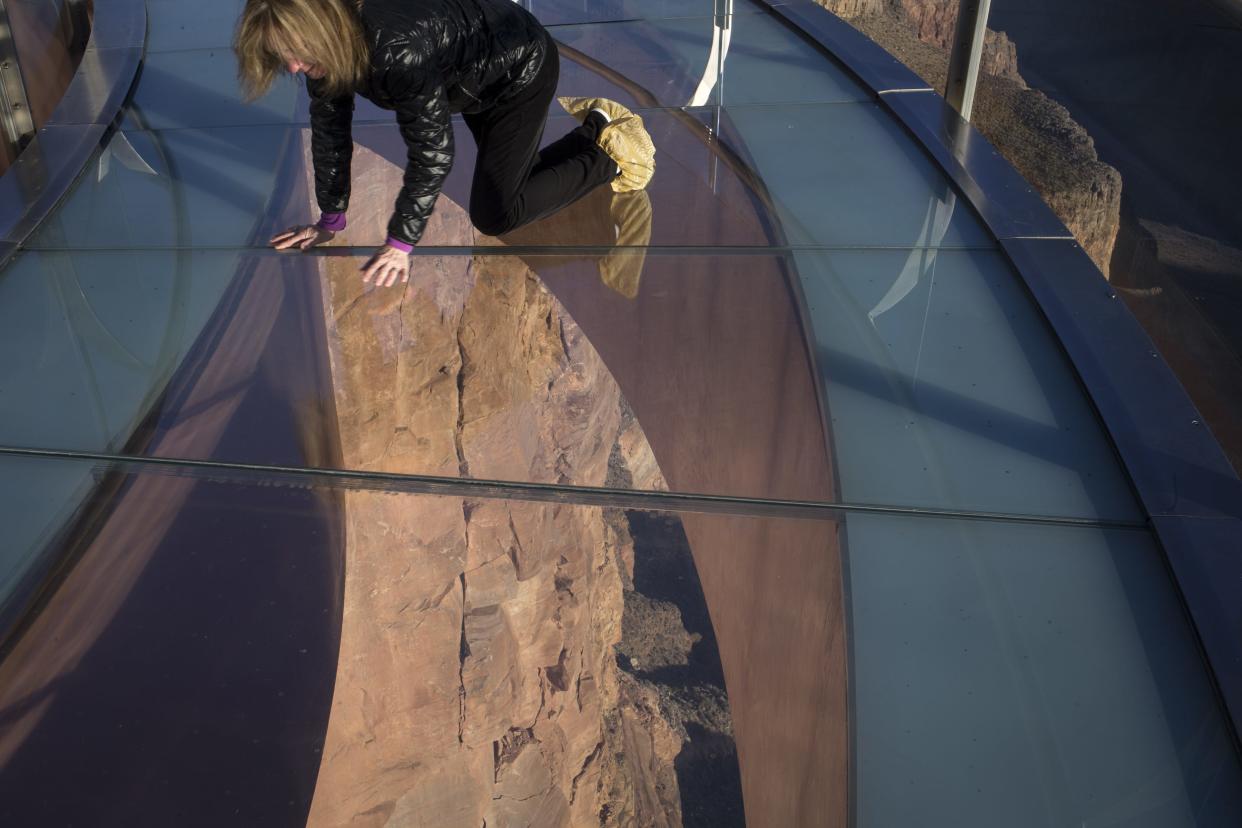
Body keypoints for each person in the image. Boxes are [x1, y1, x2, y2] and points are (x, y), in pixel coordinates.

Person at [234, 0, 655, 287]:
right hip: (469, 75)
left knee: (498, 214)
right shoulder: (329, 50)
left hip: (518, 69)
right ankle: (596, 128)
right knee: (508, 184)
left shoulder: (392, 50)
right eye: (281, 56)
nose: (292, 65)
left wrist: (401, 242)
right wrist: (329, 221)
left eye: (297, 51)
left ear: (319, 30)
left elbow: (433, 153)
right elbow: (330, 133)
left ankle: (609, 153)